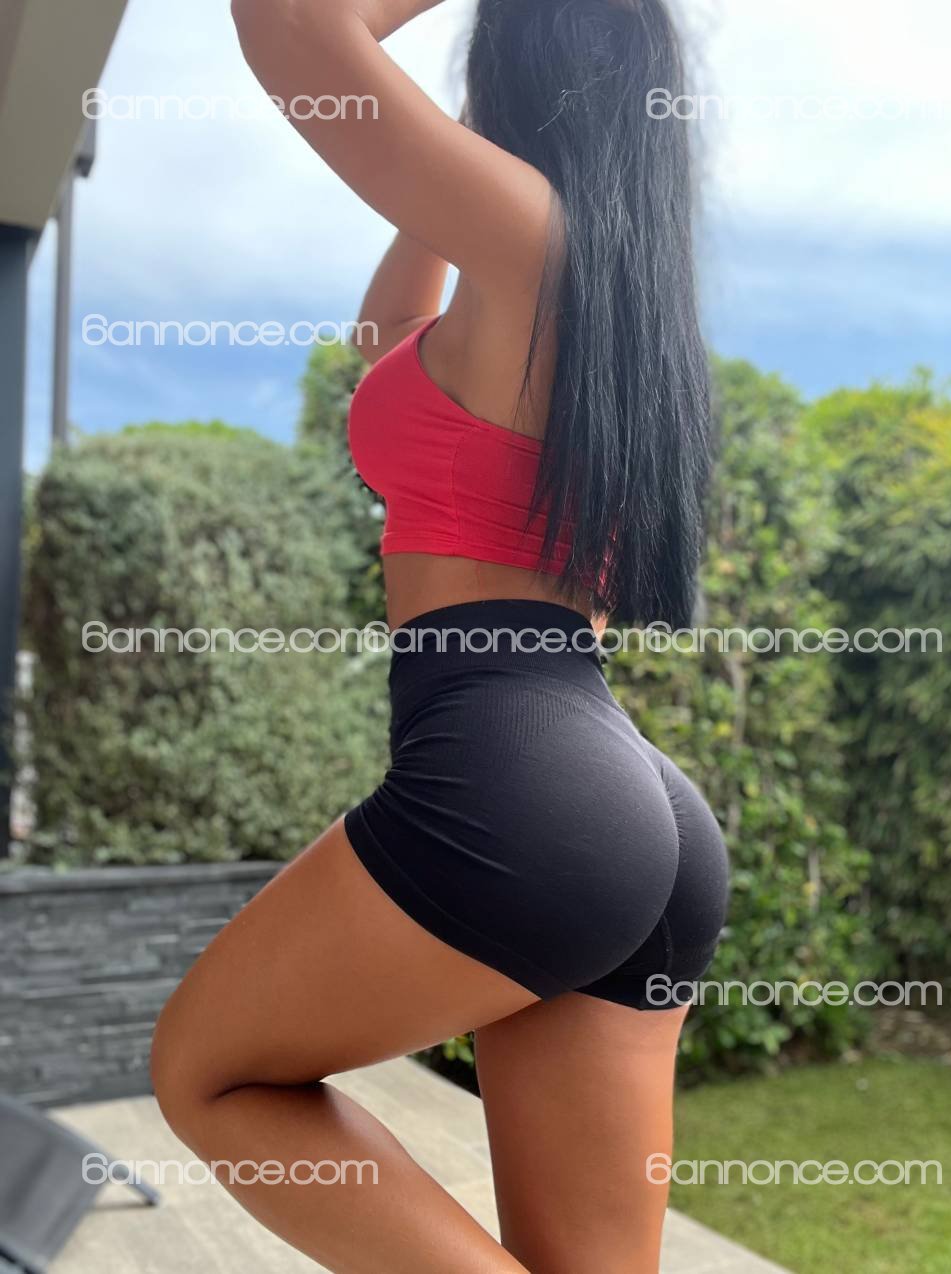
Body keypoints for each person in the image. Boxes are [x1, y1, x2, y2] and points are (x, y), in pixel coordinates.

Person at [151, 1, 729, 1270]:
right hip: (629, 805)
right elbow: (384, 349)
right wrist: (446, 153)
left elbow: (292, 21)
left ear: (519, 70)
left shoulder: (533, 239)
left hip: (521, 782)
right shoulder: (609, 301)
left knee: (208, 1070)